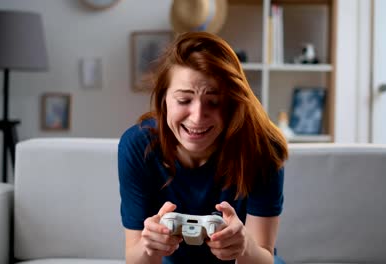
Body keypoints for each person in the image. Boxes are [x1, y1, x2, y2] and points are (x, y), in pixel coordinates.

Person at [118, 31, 288, 264]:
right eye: (184, 100)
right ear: (164, 99)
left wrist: (244, 246)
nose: (197, 117)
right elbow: (134, 259)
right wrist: (149, 246)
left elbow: (264, 257)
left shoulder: (263, 148)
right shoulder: (138, 146)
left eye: (214, 102)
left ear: (232, 102)